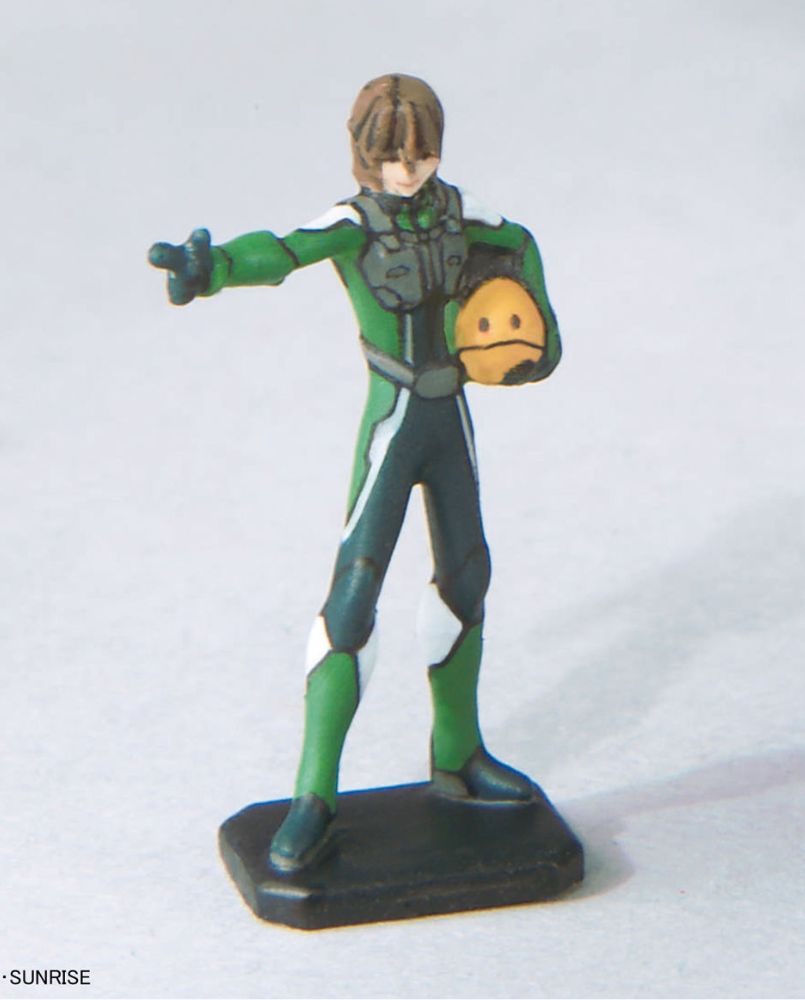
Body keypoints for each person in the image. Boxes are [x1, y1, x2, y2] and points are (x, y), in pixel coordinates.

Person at [150, 73, 561, 873]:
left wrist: (540, 329)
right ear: (364, 153)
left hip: (450, 415)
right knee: (352, 598)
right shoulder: (353, 222)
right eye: (392, 157)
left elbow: (519, 243)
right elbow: (284, 250)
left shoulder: (461, 211)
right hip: (394, 418)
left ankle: (459, 755)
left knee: (466, 578)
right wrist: (215, 266)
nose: (407, 171)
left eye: (421, 154)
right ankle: (313, 795)